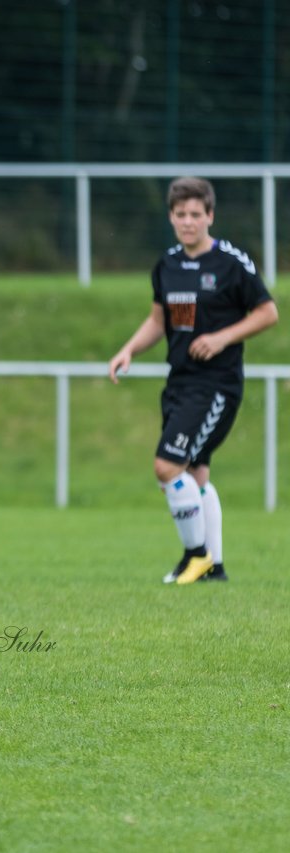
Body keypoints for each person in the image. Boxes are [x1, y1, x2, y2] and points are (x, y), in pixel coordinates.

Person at [108, 176, 278, 585]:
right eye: (180, 214)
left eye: (195, 214)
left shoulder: (232, 263)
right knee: (195, 474)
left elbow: (267, 313)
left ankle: (194, 555)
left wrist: (221, 337)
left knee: (167, 466)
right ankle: (213, 568)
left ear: (210, 216)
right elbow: (157, 320)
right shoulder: (166, 265)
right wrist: (128, 349)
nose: (188, 222)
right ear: (171, 217)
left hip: (216, 385)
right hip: (180, 383)